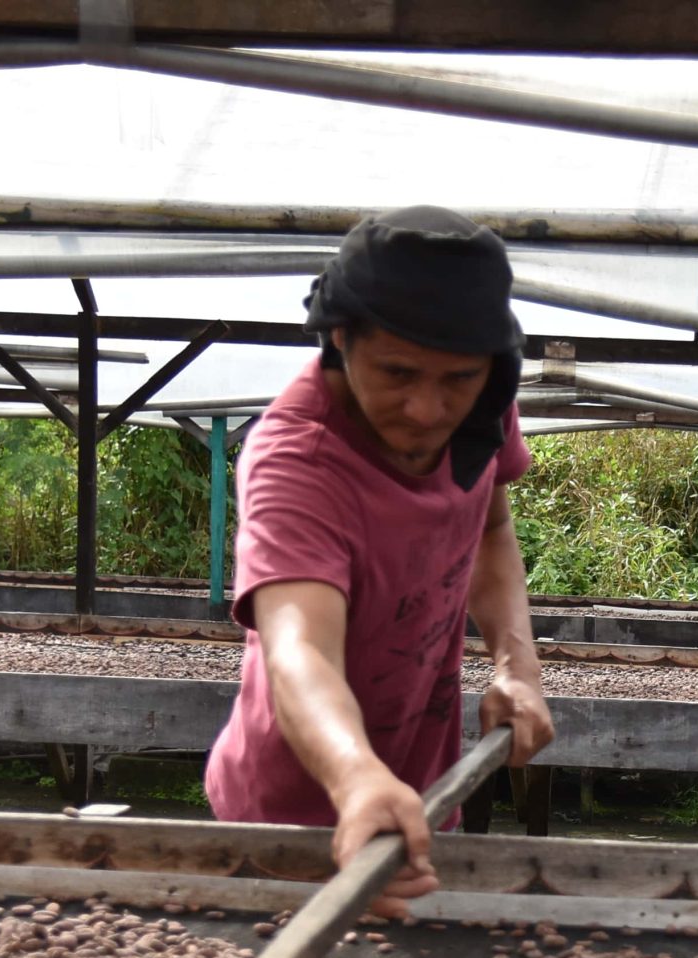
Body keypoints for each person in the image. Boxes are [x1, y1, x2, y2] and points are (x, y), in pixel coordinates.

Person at [205, 206, 554, 916]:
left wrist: (517, 666)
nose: (427, 408)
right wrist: (357, 778)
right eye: (397, 372)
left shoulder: (482, 401)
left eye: (457, 379)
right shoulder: (297, 460)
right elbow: (299, 650)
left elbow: (491, 528)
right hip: (290, 820)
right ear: (340, 336)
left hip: (423, 795)